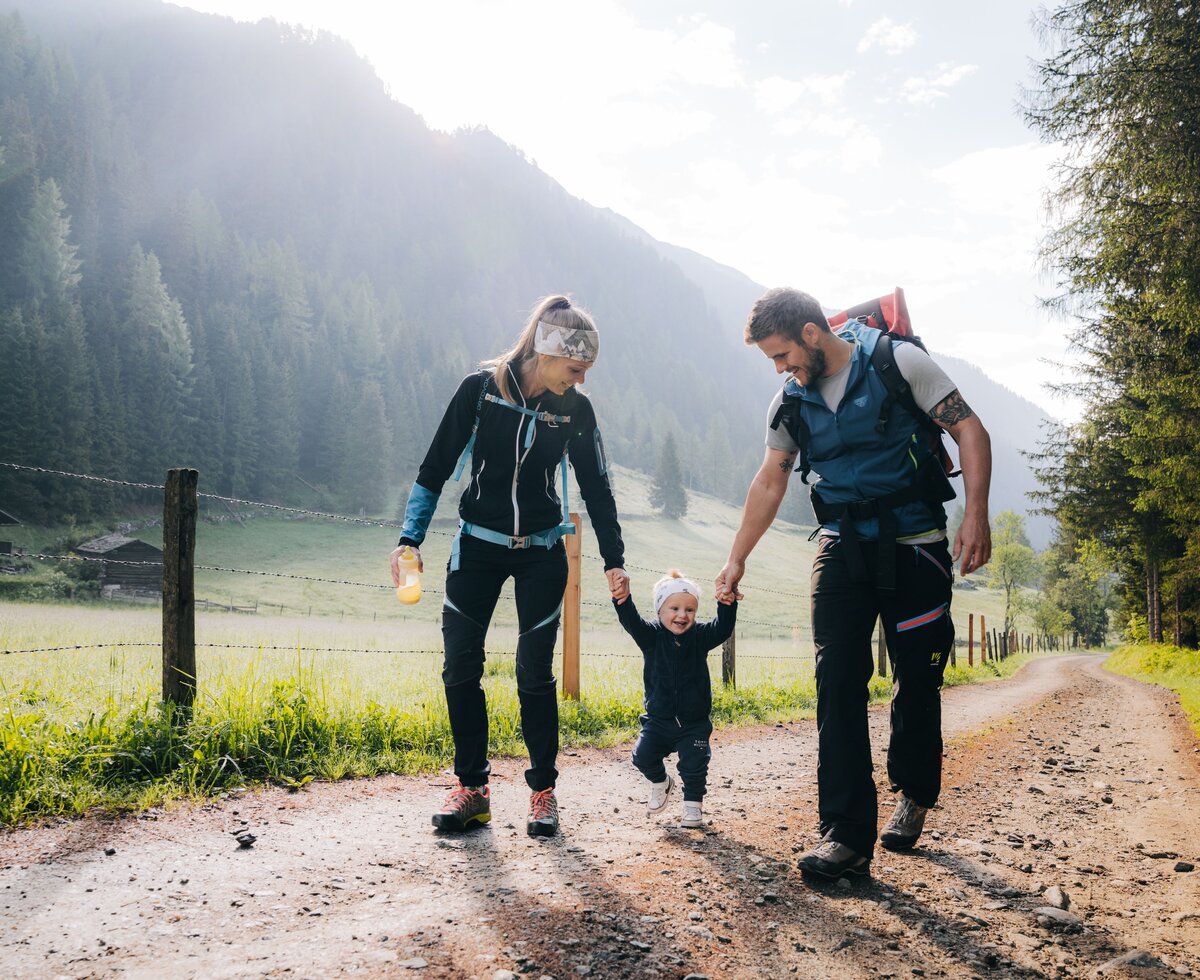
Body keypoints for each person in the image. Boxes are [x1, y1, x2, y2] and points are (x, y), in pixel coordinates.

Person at [715, 287, 991, 880]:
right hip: (840, 548)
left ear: (812, 335)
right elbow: (770, 481)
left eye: (782, 355)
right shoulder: (789, 402)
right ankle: (845, 834)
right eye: (773, 362)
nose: (781, 369)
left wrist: (975, 514)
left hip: (916, 548)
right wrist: (737, 559)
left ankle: (913, 792)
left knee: (918, 678)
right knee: (836, 680)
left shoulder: (897, 363)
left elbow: (970, 429)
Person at [390, 295, 629, 838]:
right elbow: (435, 466)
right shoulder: (478, 391)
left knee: (533, 674)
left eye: (588, 371)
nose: (583, 380)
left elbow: (598, 487)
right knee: (460, 667)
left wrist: (615, 560)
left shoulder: (575, 410)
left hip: (544, 552)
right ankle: (472, 789)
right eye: (576, 368)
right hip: (476, 547)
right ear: (546, 351)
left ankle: (542, 793)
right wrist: (410, 539)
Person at [612, 569, 737, 829]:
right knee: (642, 756)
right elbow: (631, 620)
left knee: (694, 763)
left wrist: (726, 604)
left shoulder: (700, 637)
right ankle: (661, 783)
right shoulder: (650, 637)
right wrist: (622, 598)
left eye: (690, 610)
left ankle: (693, 806)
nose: (682, 615)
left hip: (694, 722)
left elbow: (723, 628)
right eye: (675, 608)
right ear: (660, 610)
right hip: (658, 720)